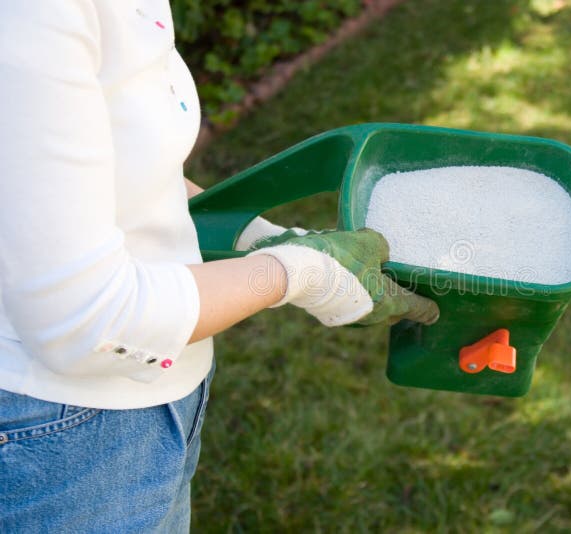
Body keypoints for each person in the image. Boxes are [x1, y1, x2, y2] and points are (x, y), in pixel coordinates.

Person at [0, 2, 438, 532]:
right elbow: (86, 322)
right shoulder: (32, 17)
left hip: (154, 398)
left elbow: (111, 174)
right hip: (57, 435)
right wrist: (295, 272)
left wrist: (257, 235)